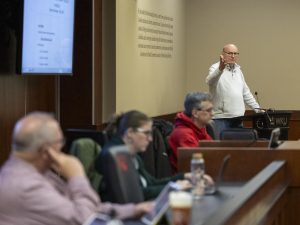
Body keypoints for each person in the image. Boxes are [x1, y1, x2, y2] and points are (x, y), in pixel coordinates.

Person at [0, 112, 152, 225]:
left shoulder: (38, 172)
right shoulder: (26, 186)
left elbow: (86, 208)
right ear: (46, 150)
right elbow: (86, 220)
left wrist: (133, 210)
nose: (62, 146)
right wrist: (77, 176)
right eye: (60, 141)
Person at [96, 110, 194, 201]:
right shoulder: (115, 155)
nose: (150, 139)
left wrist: (184, 176)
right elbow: (134, 193)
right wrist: (175, 187)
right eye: (146, 133)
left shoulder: (133, 155)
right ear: (130, 133)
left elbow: (152, 183)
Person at [206, 43, 261, 139]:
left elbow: (246, 93)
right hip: (221, 118)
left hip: (237, 118)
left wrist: (258, 109)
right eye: (230, 53)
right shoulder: (215, 67)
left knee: (238, 149)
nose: (233, 56)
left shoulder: (238, 70)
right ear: (222, 54)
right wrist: (220, 69)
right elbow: (210, 81)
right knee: (220, 149)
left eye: (235, 53)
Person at [168, 92, 213, 173]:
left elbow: (213, 152)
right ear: (195, 113)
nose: (212, 114)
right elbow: (198, 164)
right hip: (186, 179)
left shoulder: (200, 129)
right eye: (208, 110)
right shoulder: (183, 134)